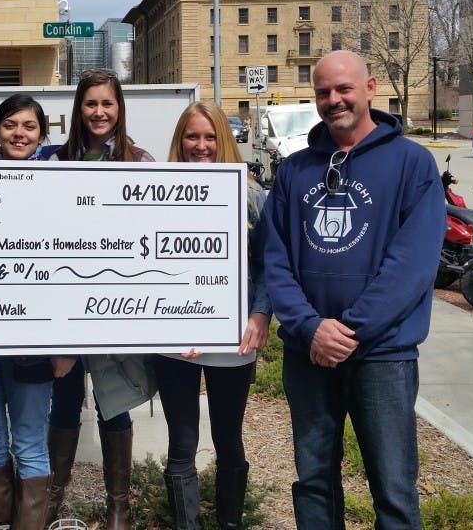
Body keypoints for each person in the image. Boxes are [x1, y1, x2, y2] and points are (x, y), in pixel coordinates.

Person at [263, 50, 444, 528]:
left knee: (393, 489)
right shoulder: (294, 171)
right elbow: (276, 261)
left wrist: (349, 331)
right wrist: (310, 328)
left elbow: (413, 265)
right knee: (314, 482)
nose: (333, 100)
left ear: (370, 87)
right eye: (323, 91)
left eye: (343, 88)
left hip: (382, 355)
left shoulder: (412, 164)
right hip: (308, 355)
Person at [46, 69, 156, 530]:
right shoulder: (54, 161)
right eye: (90, 103)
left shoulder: (140, 161)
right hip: (67, 308)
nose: (99, 112)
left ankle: (118, 510)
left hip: (116, 308)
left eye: (107, 103)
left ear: (119, 108)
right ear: (78, 108)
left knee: (114, 404)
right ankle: (50, 504)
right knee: (64, 401)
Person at [154, 101, 272, 529]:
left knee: (228, 440)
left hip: (232, 340)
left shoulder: (252, 196)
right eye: (192, 136)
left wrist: (260, 314)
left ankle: (229, 523)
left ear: (224, 139)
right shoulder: (156, 192)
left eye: (210, 136)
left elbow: (269, 265)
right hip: (175, 342)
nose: (201, 145)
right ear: (179, 140)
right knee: (182, 444)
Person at [0, 94, 67, 530]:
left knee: (30, 446)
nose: (19, 134)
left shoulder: (61, 188)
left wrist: (68, 346)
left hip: (35, 347)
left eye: (29, 126)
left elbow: (74, 266)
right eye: (10, 125)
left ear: (42, 135)